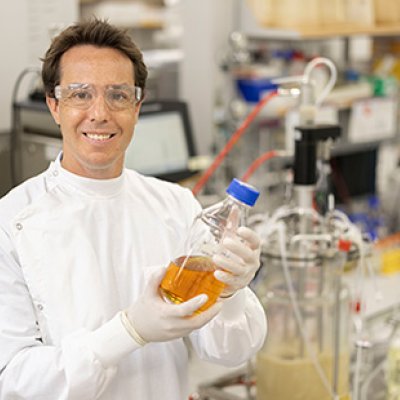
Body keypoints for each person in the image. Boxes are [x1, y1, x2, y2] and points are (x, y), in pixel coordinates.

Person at [0, 19, 266, 400]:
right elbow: (13, 381)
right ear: (54, 106)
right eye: (80, 95)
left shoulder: (174, 205)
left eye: (118, 95)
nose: (100, 113)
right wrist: (128, 331)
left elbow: (229, 351)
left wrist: (230, 292)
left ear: (137, 107)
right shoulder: (11, 223)